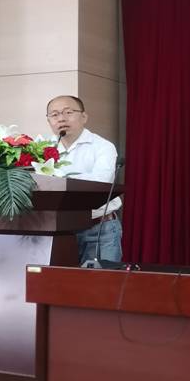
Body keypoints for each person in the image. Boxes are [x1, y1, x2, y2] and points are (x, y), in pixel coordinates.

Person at [46, 95, 122, 265]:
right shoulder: (43, 147)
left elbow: (100, 183)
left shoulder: (103, 147)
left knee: (99, 281)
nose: (61, 119)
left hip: (99, 229)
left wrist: (58, 181)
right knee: (58, 280)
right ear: (49, 121)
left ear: (84, 117)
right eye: (54, 115)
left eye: (68, 112)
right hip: (58, 230)